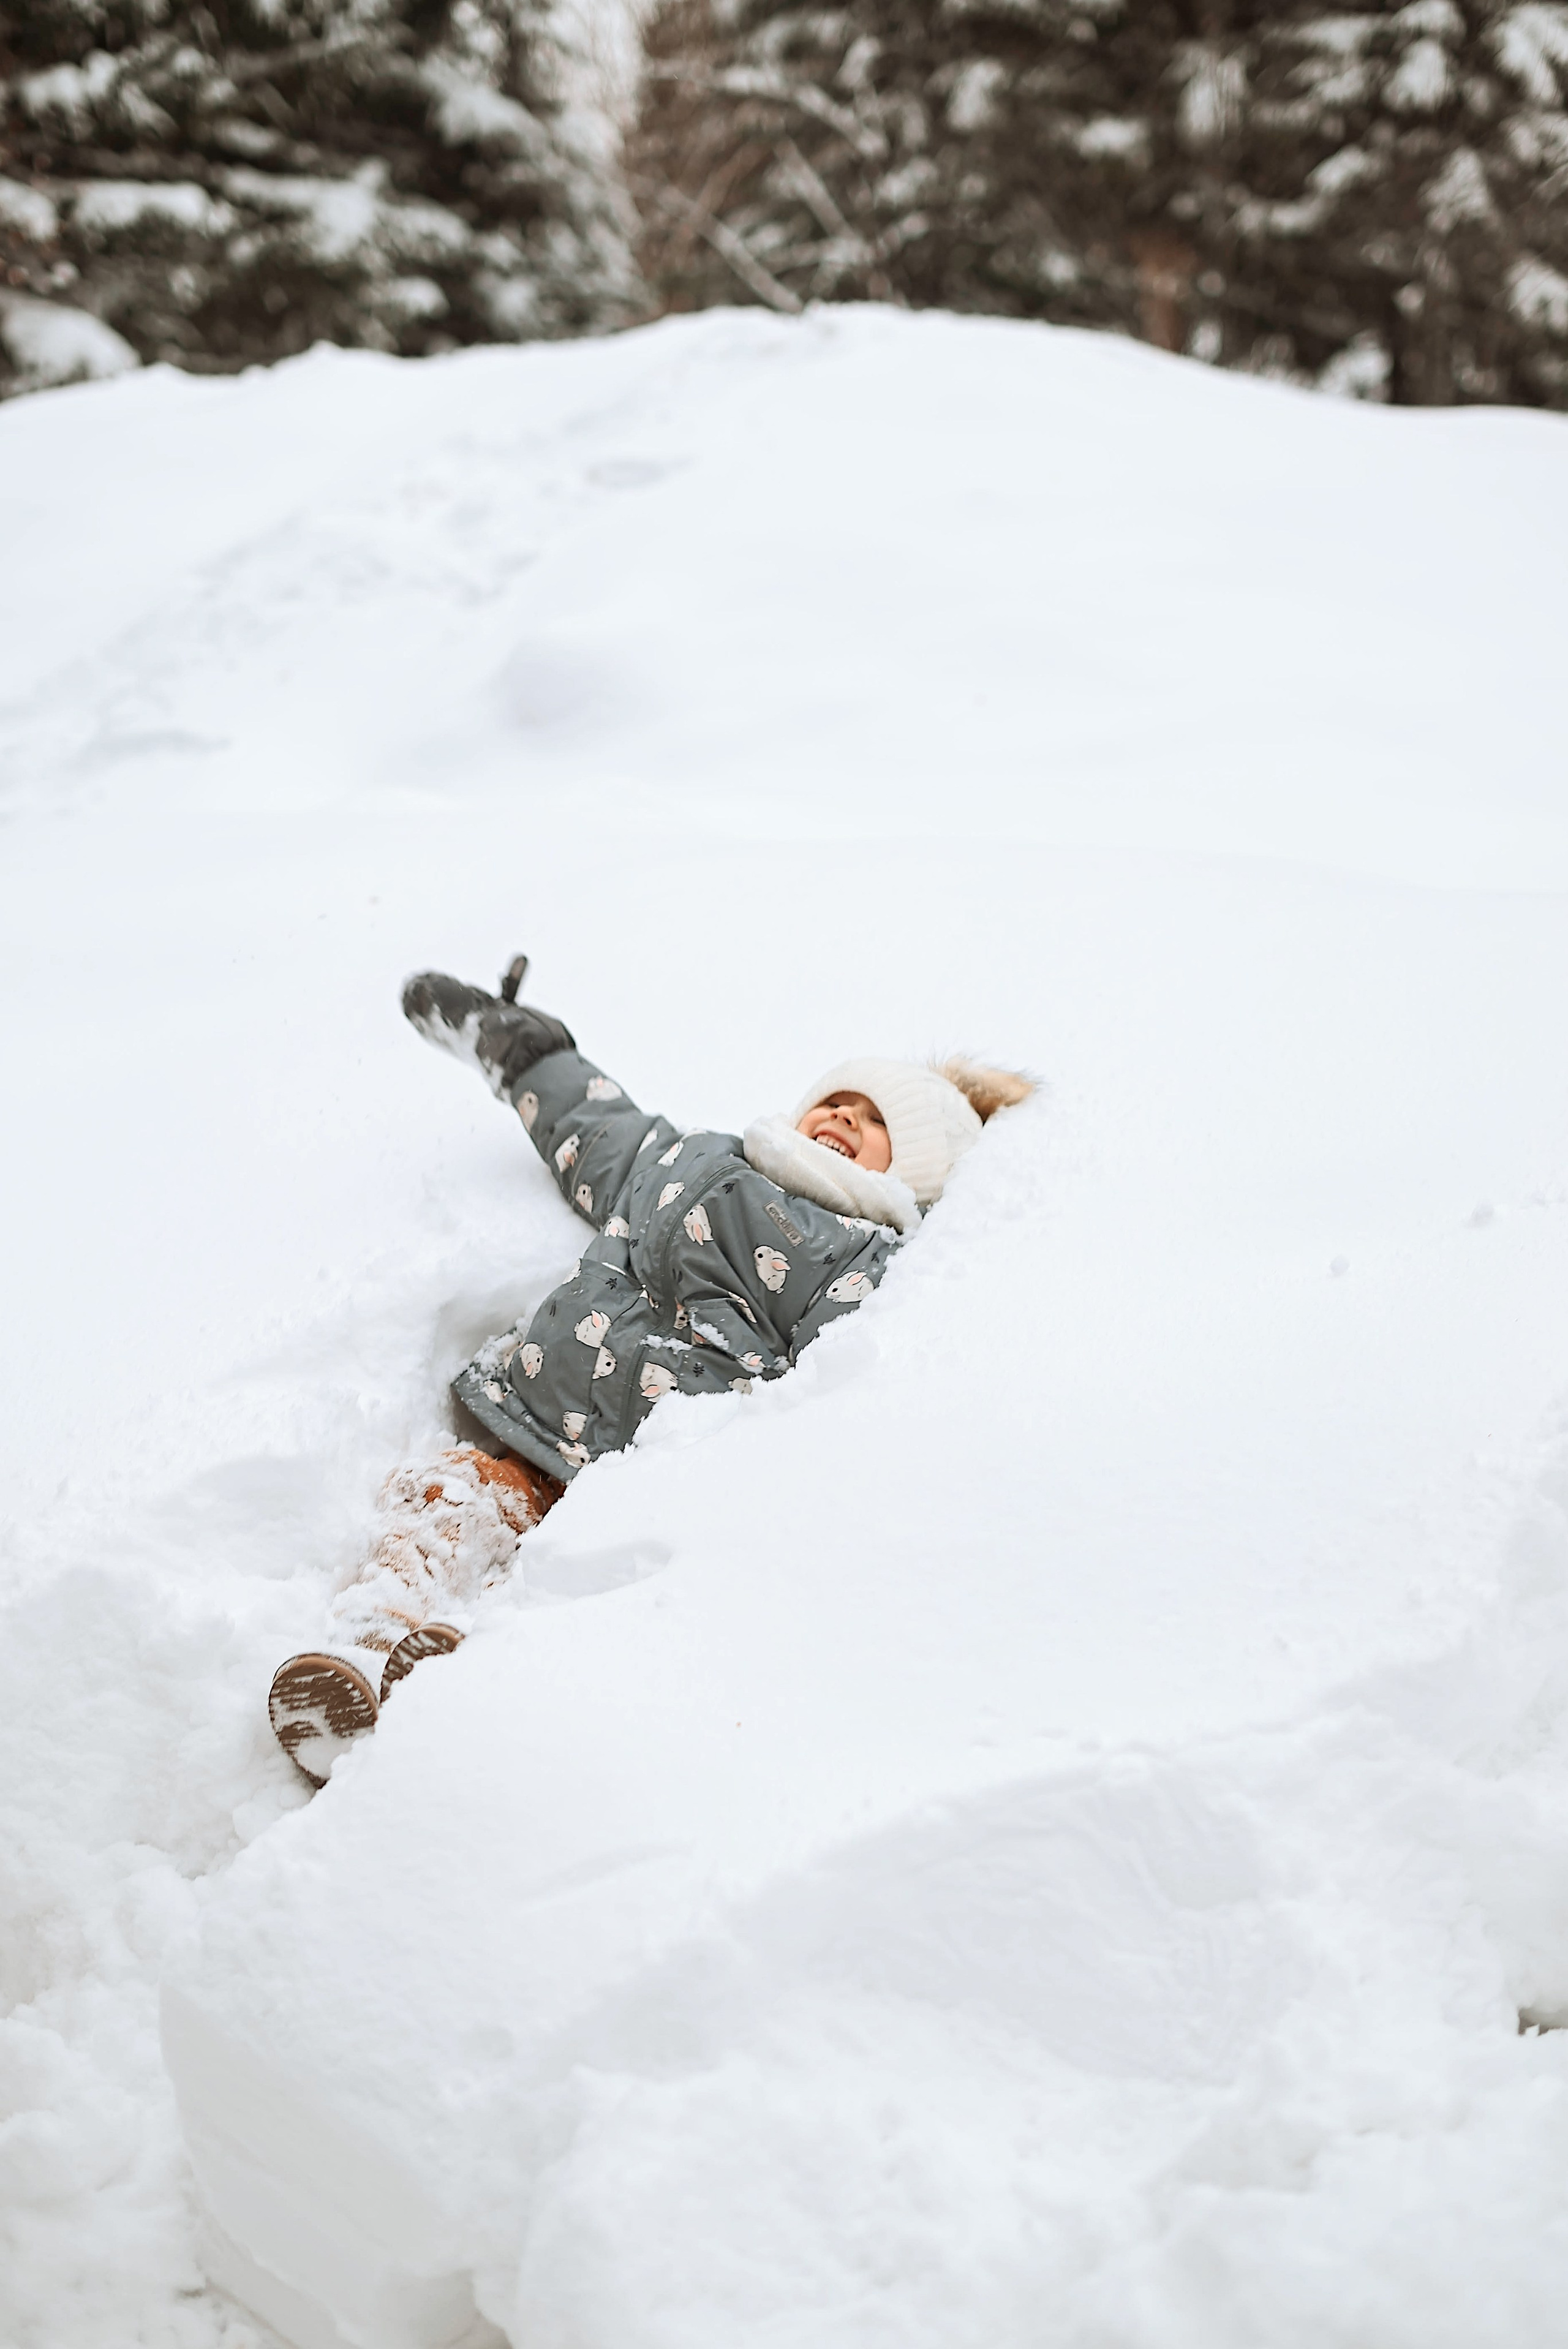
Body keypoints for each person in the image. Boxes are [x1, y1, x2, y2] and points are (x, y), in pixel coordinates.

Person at [268, 957, 1031, 1783]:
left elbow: (848, 1398)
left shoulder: (865, 1265)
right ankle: (365, 1643)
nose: (842, 1116)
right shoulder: (697, 1158)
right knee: (450, 1496)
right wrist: (526, 1049)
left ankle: (451, 1693)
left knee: (552, 1585)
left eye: (873, 1119)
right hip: (535, 1417)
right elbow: (596, 1129)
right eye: (836, 1098)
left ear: (912, 1167)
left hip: (636, 1486)